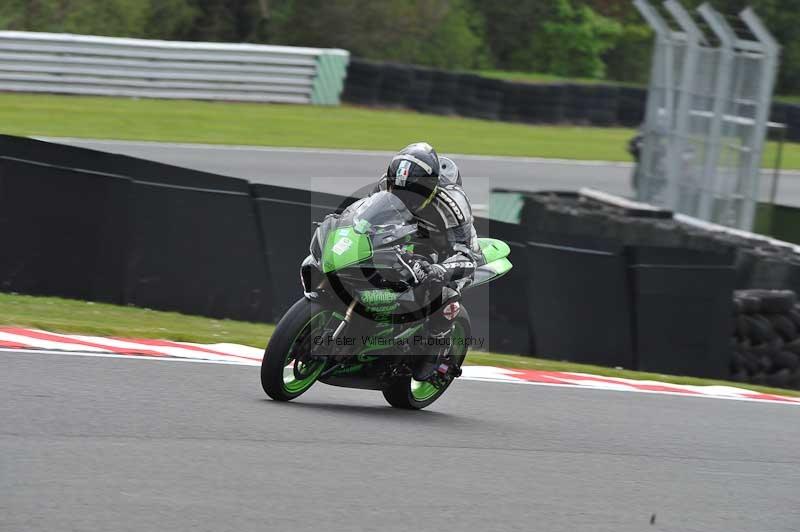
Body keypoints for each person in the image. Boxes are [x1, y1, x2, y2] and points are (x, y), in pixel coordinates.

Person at [374, 142, 481, 380]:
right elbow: (366, 215)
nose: (403, 197)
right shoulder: (386, 184)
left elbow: (466, 256)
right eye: (397, 190)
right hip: (407, 238)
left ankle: (433, 350)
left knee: (441, 290)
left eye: (412, 192)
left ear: (429, 189)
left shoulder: (452, 204)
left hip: (448, 250)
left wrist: (438, 269)